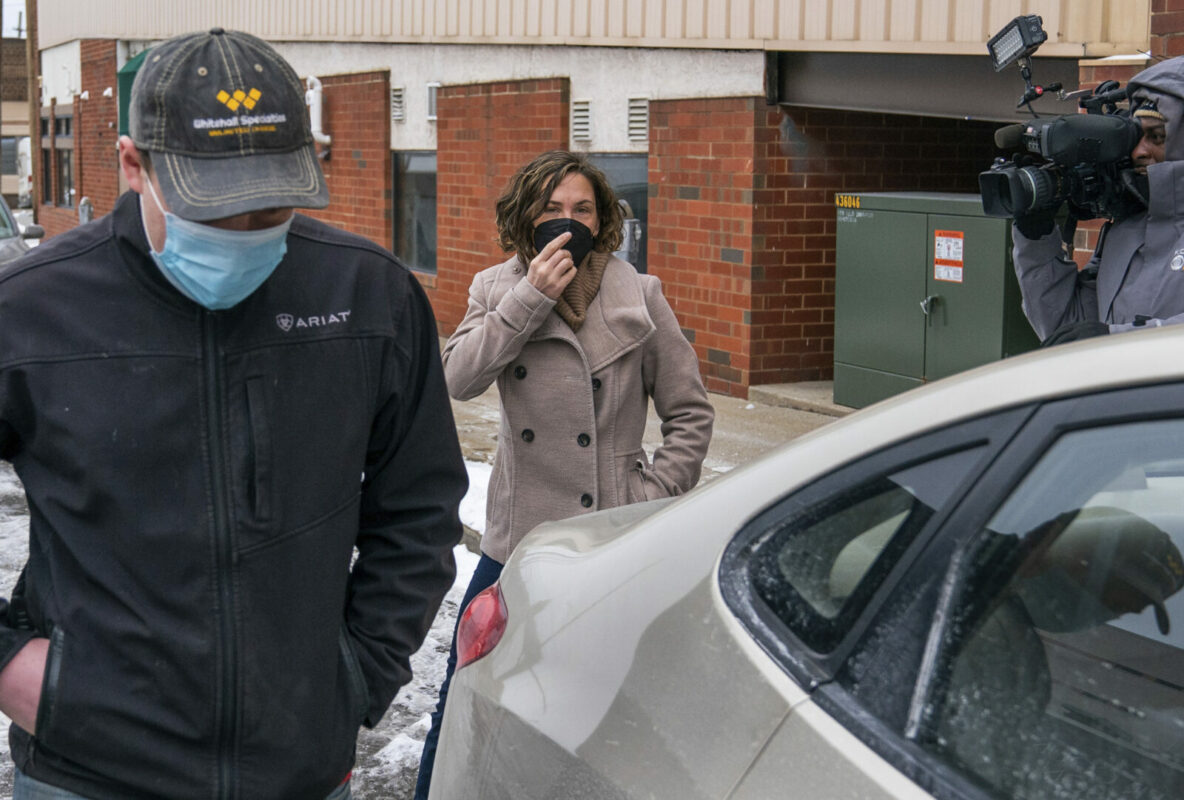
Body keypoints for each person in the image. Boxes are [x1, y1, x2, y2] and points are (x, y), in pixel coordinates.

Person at [0, 29, 467, 800]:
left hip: (298, 773)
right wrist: (15, 667)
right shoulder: (31, 314)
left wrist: (355, 678)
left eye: (270, 207)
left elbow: (418, 509)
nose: (246, 232)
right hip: (87, 776)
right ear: (132, 166)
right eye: (213, 211)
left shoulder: (368, 299)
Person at [413, 150, 714, 798]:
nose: (567, 222)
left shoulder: (641, 295)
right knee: (469, 694)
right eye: (552, 210)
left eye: (582, 210)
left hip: (612, 536)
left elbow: (690, 414)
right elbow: (456, 381)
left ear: (604, 220)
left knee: (604, 709)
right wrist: (531, 297)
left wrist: (650, 495)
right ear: (526, 217)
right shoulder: (496, 289)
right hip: (518, 539)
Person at [1012, 56, 1184, 345]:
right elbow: (1065, 328)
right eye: (1136, 136)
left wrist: (1115, 342)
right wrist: (1036, 237)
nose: (1138, 152)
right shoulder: (1126, 230)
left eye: (1157, 136)